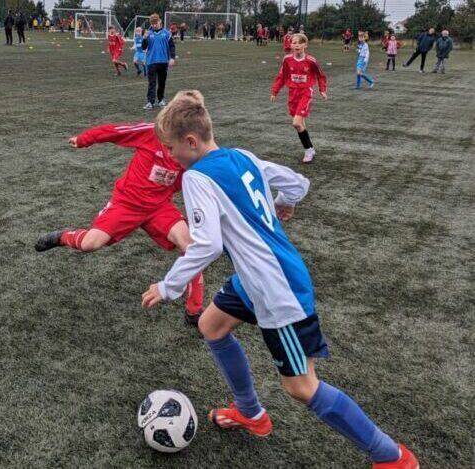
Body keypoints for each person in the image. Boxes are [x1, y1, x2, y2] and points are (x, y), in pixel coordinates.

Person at [142, 90, 420, 469]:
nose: (170, 157)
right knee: (211, 325)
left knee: (301, 387)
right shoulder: (241, 156)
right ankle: (251, 413)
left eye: (172, 148)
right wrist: (282, 203)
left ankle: (391, 456)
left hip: (276, 288)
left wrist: (167, 286)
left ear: (191, 142)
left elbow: (206, 244)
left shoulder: (197, 178)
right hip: (255, 278)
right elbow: (296, 183)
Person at [35, 120, 205, 325]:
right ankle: (63, 237)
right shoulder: (152, 132)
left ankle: (194, 311)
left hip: (159, 207)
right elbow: (115, 132)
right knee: (91, 243)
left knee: (191, 247)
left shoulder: (191, 151)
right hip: (127, 203)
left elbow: (190, 181)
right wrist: (83, 139)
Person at [270, 33, 327, 164]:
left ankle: (308, 151)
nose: (296, 45)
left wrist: (322, 90)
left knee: (296, 123)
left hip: (306, 92)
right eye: (294, 43)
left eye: (299, 43)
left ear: (305, 45)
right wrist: (275, 91)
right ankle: (311, 148)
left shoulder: (311, 61)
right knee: (300, 124)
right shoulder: (287, 59)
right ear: (290, 45)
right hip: (292, 93)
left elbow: (320, 75)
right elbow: (282, 76)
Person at [142, 14, 175, 110]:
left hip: (164, 61)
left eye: (155, 23)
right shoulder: (148, 34)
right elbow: (144, 47)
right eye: (152, 23)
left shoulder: (167, 33)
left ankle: (161, 100)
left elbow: (172, 46)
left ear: (160, 21)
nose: (154, 25)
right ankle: (150, 102)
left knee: (162, 82)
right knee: (152, 83)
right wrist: (144, 38)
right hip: (151, 61)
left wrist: (172, 58)